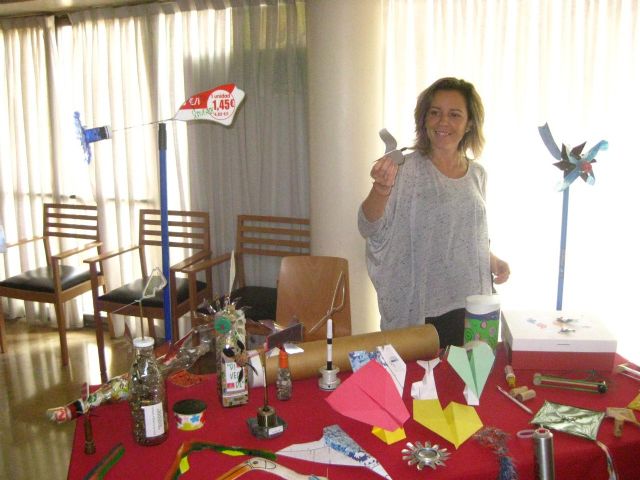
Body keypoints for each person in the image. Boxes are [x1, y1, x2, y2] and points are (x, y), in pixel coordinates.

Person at [357, 77, 510, 348]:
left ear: (469, 124)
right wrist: (380, 188)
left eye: (454, 114)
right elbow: (368, 226)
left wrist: (491, 260)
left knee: (473, 372)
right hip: (422, 310)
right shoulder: (405, 169)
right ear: (424, 119)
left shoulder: (478, 174)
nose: (443, 122)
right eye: (435, 112)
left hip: (472, 306)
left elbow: (467, 233)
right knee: (425, 376)